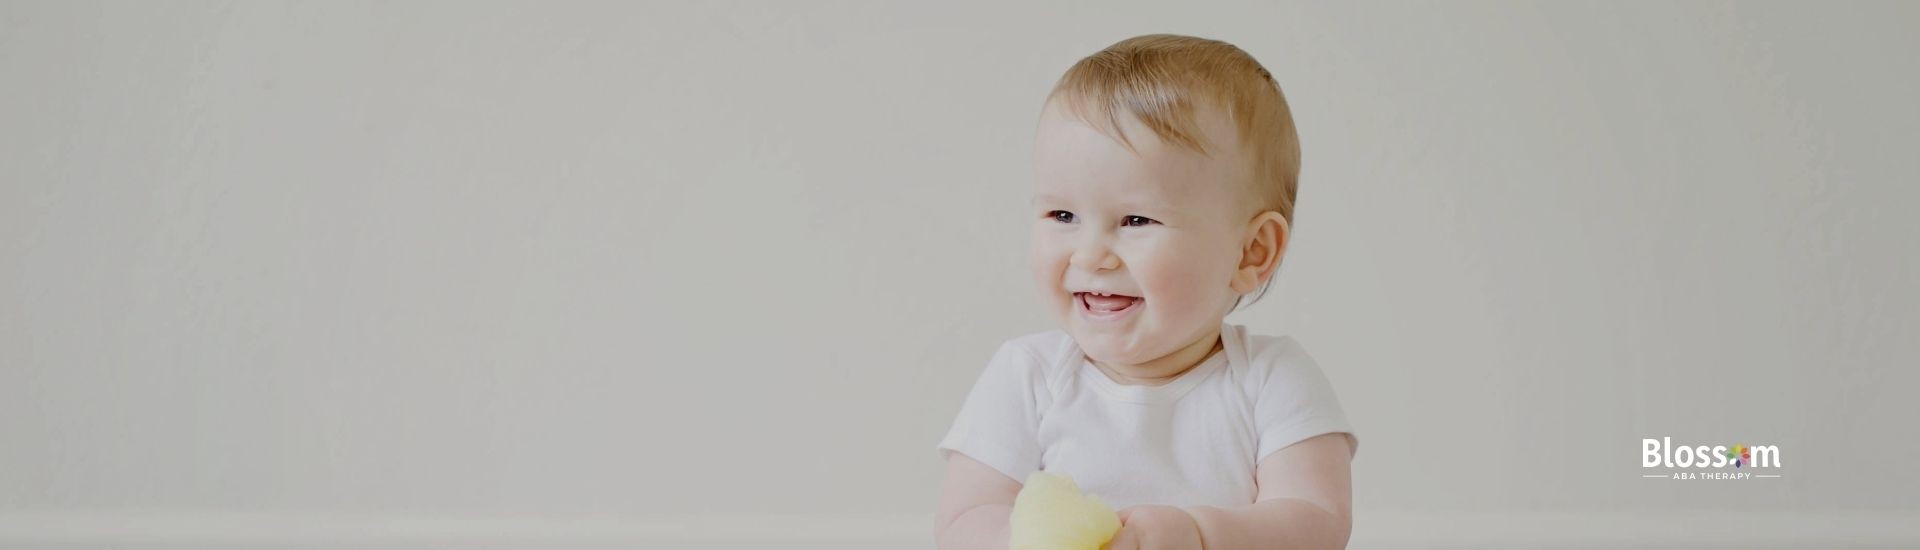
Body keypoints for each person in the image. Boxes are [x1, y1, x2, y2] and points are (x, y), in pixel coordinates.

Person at [934, 34, 1359, 550]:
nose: (1090, 255)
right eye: (1062, 215)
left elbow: (1315, 522)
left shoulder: (1271, 380)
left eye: (1136, 220)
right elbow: (964, 522)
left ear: (1251, 253)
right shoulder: (1028, 376)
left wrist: (1198, 534)